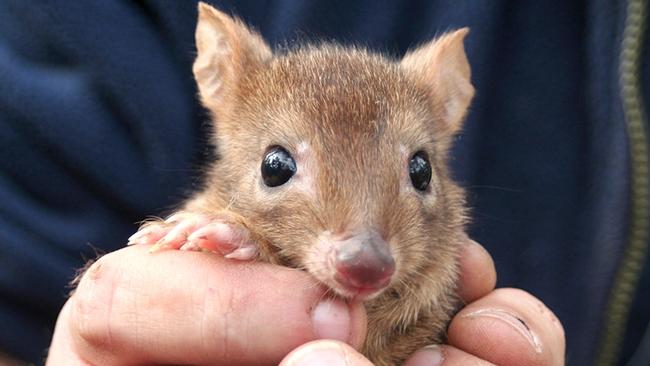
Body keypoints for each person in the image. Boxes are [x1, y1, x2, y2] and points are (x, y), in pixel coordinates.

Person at [0, 1, 647, 365]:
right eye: (281, 169)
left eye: (415, 172)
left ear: (449, 100)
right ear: (222, 76)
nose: (367, 247)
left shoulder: (442, 271)